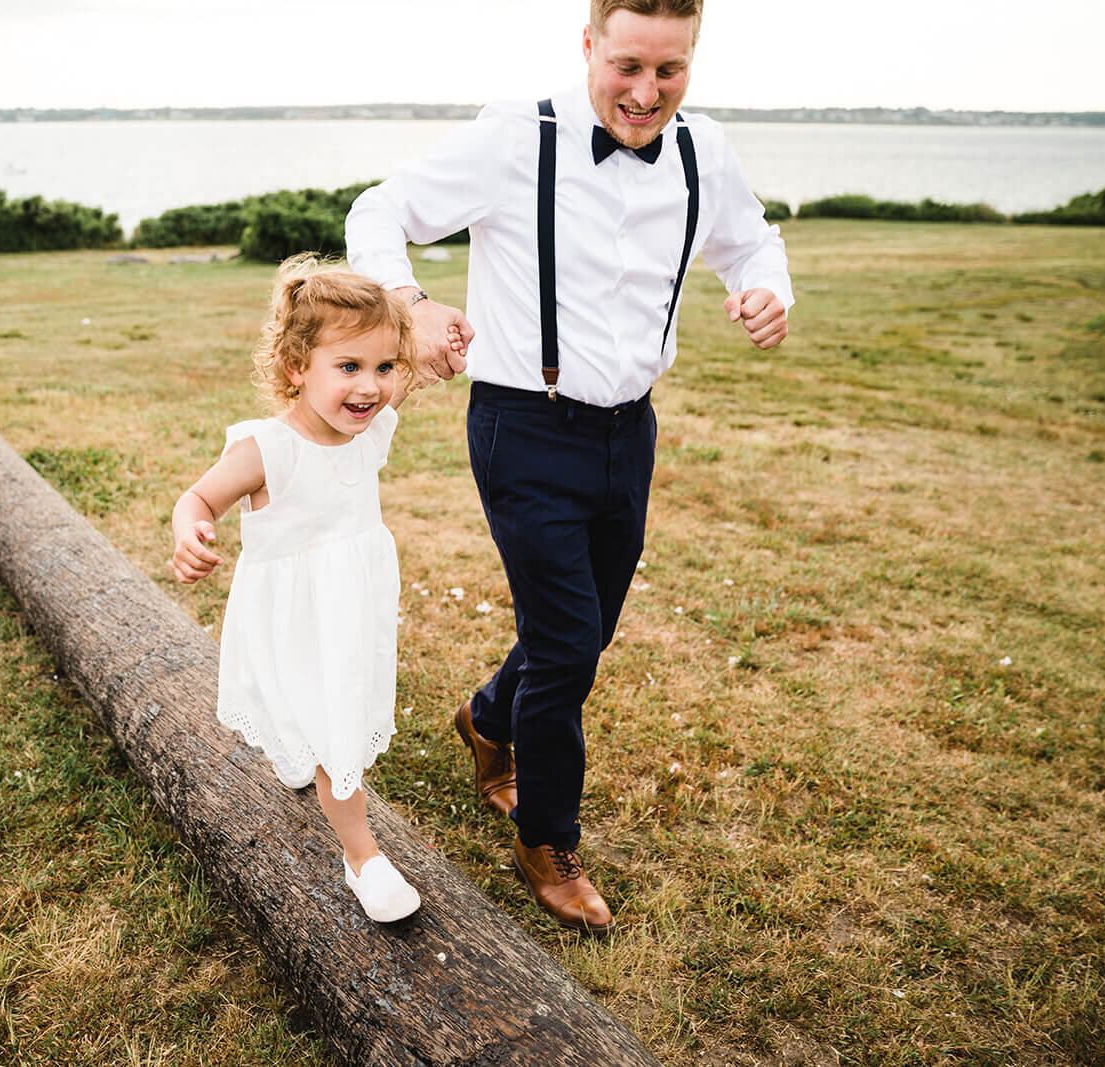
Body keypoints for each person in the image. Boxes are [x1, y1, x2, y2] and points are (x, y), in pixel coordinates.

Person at [345, 0, 792, 934]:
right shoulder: (518, 135)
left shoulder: (705, 150)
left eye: (669, 71)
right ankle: (547, 838)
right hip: (525, 425)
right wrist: (411, 303)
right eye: (627, 65)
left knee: (583, 631)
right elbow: (379, 210)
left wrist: (763, 288)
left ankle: (487, 718)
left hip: (631, 431)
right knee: (566, 644)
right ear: (587, 44)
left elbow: (748, 237)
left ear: (692, 60)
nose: (646, 92)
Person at [170, 255, 447, 924]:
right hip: (292, 617)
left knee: (328, 716)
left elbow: (418, 367)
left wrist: (439, 342)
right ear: (298, 366)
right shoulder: (267, 450)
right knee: (332, 736)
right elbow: (197, 497)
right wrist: (190, 530)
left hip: (352, 612)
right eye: (349, 367)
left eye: (383, 368)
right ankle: (362, 855)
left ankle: (306, 755)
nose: (371, 387)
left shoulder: (370, 427)